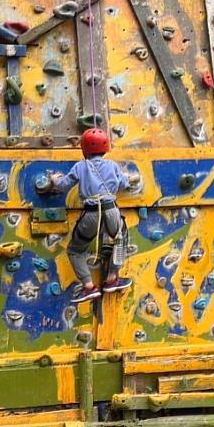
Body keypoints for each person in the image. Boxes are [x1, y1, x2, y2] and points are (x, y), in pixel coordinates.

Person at [50, 128, 139, 303]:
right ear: (106, 148)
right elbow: (124, 183)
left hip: (91, 214)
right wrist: (130, 178)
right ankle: (113, 277)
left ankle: (88, 286)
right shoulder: (112, 166)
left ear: (84, 149)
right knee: (121, 239)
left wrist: (54, 179)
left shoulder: (80, 166)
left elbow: (62, 185)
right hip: (111, 210)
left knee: (75, 250)